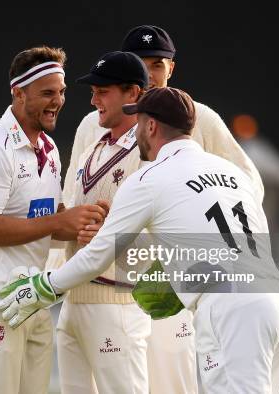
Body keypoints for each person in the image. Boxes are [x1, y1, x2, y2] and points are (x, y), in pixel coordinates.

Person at [0, 87, 279, 394]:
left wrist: (45, 286)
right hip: (276, 300)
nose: (136, 131)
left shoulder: (148, 178)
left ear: (151, 126)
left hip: (231, 307)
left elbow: (97, 257)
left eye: (138, 122)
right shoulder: (232, 172)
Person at [48, 24, 266, 394]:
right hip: (103, 286)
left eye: (158, 65)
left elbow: (249, 186)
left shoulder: (198, 118)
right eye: (141, 64)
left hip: (167, 282)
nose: (150, 73)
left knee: (173, 383)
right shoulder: (93, 123)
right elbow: (73, 196)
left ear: (171, 69)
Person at [0, 46, 108, 394]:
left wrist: (79, 223)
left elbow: (38, 222)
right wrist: (58, 224)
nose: (58, 101)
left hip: (29, 296)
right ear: (18, 92)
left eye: (62, 92)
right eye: (47, 93)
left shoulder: (49, 149)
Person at [54, 50, 151, 394]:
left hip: (118, 302)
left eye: (103, 90)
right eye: (92, 90)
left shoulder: (151, 153)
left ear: (134, 93)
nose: (94, 99)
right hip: (73, 304)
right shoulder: (90, 147)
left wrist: (114, 233)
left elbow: (169, 238)